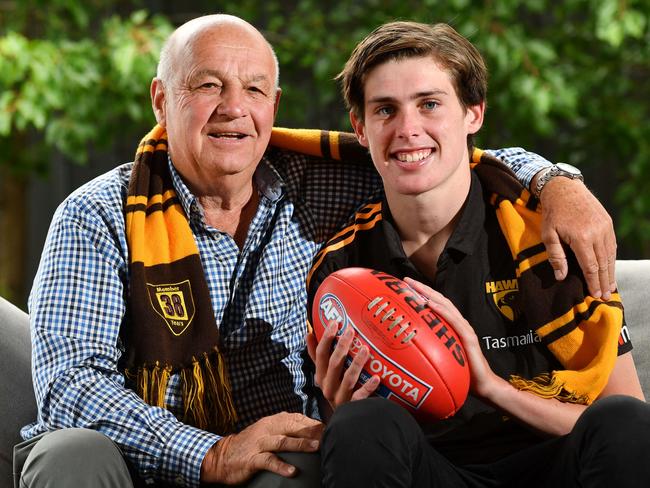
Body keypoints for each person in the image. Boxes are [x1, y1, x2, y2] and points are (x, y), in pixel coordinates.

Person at [16, 13, 620, 488]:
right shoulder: (96, 214)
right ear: (160, 100)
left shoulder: (316, 183)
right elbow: (71, 384)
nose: (234, 107)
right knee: (71, 456)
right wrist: (210, 454)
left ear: (273, 108)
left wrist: (558, 183)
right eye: (207, 86)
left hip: (276, 458)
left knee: (314, 452)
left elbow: (445, 159)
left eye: (253, 88)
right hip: (138, 461)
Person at [306, 21, 649, 487]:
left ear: (474, 114)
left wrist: (487, 385)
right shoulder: (340, 266)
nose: (408, 129)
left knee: (623, 422)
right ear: (360, 128)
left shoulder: (549, 230)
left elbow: (627, 415)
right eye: (386, 110)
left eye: (429, 104)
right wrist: (338, 408)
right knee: (357, 427)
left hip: (555, 466)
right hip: (434, 471)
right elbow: (355, 440)